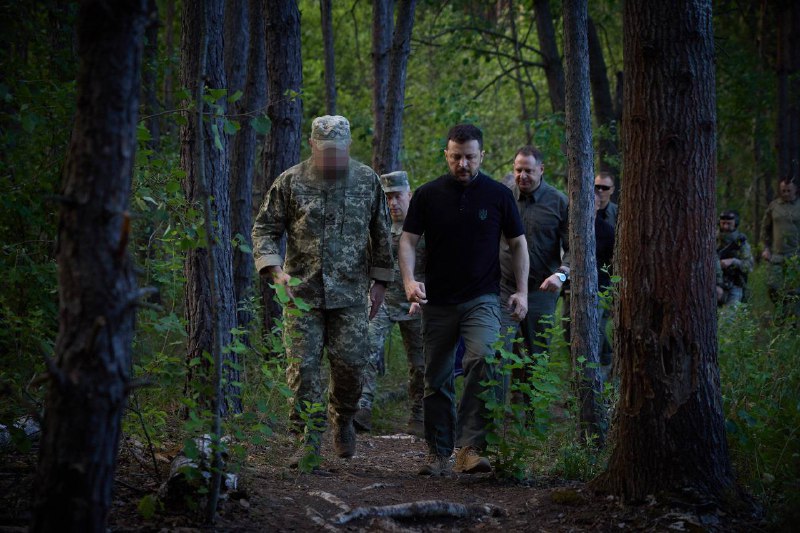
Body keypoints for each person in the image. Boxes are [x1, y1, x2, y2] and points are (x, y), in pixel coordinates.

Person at [251, 115, 393, 466]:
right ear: (313, 146)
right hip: (301, 293)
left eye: (339, 151)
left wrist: (380, 283)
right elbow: (264, 229)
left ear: (348, 148)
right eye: (326, 151)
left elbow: (381, 232)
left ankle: (343, 418)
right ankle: (307, 440)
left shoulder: (366, 181)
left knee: (351, 366)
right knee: (303, 369)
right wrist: (274, 269)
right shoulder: (290, 182)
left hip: (350, 294)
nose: (332, 158)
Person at [399, 124, 529, 476]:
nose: (463, 164)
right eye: (456, 157)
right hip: (437, 300)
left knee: (484, 358)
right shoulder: (427, 195)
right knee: (436, 376)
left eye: (470, 157)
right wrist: (410, 281)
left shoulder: (499, 195)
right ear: (446, 155)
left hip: (482, 297)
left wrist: (522, 290)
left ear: (481, 156)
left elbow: (518, 243)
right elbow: (408, 241)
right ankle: (439, 452)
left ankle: (472, 447)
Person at [354, 171, 426, 437]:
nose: (393, 203)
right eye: (388, 197)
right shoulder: (378, 225)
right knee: (366, 349)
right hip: (382, 300)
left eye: (397, 196)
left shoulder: (423, 225)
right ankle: (362, 408)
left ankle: (419, 414)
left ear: (409, 194)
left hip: (417, 301)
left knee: (420, 363)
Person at [499, 146, 570, 363]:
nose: (523, 176)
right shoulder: (503, 197)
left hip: (541, 289)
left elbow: (575, 249)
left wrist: (562, 275)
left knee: (536, 355)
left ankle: (530, 397)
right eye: (519, 170)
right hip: (504, 287)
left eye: (529, 170)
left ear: (541, 169)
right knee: (498, 352)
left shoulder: (559, 202)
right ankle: (499, 396)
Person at [760, 177, 800, 319]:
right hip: (777, 254)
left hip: (796, 255)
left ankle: (792, 319)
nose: (786, 193)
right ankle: (780, 311)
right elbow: (765, 228)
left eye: (789, 190)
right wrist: (766, 248)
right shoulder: (774, 206)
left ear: (795, 190)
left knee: (794, 290)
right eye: (783, 190)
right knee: (773, 286)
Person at [716, 210, 753, 307]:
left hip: (734, 285)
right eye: (723, 223)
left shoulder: (741, 242)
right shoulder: (713, 238)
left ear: (735, 223)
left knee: (730, 319)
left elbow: (749, 266)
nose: (725, 226)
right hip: (713, 284)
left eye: (729, 223)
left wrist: (733, 261)